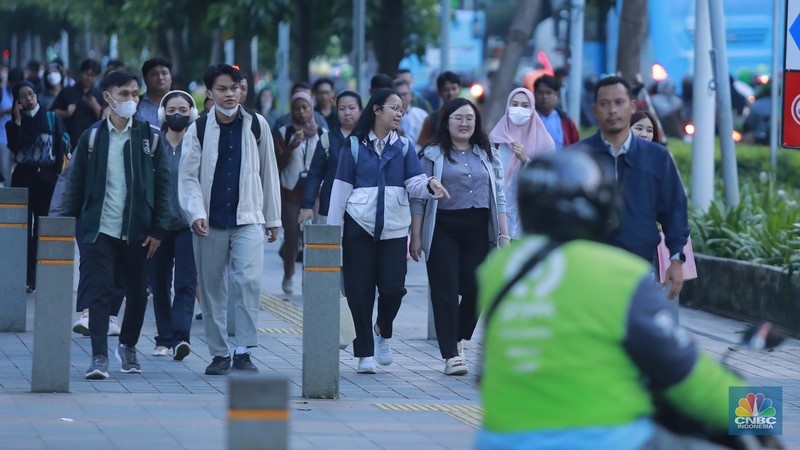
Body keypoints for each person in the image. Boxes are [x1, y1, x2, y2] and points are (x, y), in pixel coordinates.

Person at [476, 151, 742, 449]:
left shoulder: (500, 269)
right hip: (601, 439)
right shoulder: (619, 272)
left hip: (500, 440)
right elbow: (688, 374)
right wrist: (759, 416)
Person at [327, 89, 449, 374]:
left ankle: (383, 329)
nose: (398, 113)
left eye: (401, 110)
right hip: (359, 226)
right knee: (359, 292)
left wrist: (430, 183)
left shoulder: (404, 146)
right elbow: (340, 191)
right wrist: (333, 235)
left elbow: (415, 182)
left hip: (394, 229)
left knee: (394, 289)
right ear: (377, 110)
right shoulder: (354, 146)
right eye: (394, 108)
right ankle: (365, 353)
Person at [63, 70, 170, 380]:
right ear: (107, 98)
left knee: (138, 294)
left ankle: (128, 346)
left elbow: (164, 185)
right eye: (125, 94)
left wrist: (158, 229)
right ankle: (98, 357)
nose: (132, 100)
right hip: (100, 230)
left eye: (135, 94)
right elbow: (76, 184)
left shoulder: (150, 136)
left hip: (138, 232)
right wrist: (68, 225)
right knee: (100, 293)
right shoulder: (92, 137)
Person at [178, 63, 281, 375]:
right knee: (211, 289)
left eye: (234, 88)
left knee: (247, 281)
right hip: (209, 220)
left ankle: (243, 349)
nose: (229, 94)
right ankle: (219, 352)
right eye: (222, 89)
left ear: (242, 90)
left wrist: (273, 219)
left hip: (248, 216)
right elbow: (188, 178)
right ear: (209, 93)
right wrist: (195, 213)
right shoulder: (198, 128)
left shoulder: (256, 125)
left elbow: (269, 172)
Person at [410, 98, 508, 375]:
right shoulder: (431, 154)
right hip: (443, 227)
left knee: (479, 288)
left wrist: (504, 235)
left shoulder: (488, 153)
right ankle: (451, 355)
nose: (464, 123)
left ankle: (458, 336)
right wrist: (415, 236)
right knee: (445, 290)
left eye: (470, 118)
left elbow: (499, 196)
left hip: (479, 229)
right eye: (458, 118)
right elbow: (419, 198)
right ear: (447, 122)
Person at [572, 76, 689, 300]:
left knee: (636, 333)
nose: (612, 110)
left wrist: (676, 259)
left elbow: (674, 209)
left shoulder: (656, 156)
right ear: (595, 110)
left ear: (632, 106)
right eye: (605, 104)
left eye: (619, 102)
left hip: (639, 265)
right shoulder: (577, 156)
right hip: (589, 269)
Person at [630, 110, 697, 318]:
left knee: (660, 299)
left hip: (658, 242)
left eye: (649, 130)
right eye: (638, 128)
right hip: (628, 242)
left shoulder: (661, 160)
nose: (644, 134)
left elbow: (675, 204)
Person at [5, 80, 71, 293]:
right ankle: (27, 277)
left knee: (41, 229)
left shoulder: (51, 119)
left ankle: (41, 276)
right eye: (23, 95)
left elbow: (61, 147)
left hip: (46, 181)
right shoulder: (12, 124)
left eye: (31, 93)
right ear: (18, 101)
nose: (29, 98)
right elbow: (15, 147)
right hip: (23, 180)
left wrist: (57, 176)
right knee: (22, 231)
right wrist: (16, 121)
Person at [149, 90, 199, 360]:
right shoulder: (154, 144)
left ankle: (181, 337)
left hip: (189, 224)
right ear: (162, 113)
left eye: (183, 109)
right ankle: (163, 338)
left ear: (192, 113)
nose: (177, 114)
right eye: (171, 110)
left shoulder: (198, 143)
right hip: (158, 225)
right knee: (158, 283)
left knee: (185, 282)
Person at [488, 87, 555, 238]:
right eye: (515, 104)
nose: (519, 109)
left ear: (532, 109)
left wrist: (525, 160)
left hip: (528, 218)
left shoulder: (545, 142)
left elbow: (549, 179)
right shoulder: (495, 140)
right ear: (507, 106)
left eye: (525, 106)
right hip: (497, 216)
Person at [274, 92, 323, 294]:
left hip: (314, 195)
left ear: (312, 108)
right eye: (297, 108)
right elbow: (276, 163)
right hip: (290, 193)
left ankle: (308, 278)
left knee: (312, 238)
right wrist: (290, 148)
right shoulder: (284, 132)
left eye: (305, 107)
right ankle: (288, 273)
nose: (301, 112)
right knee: (292, 237)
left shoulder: (322, 133)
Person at [298, 90, 363, 226]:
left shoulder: (369, 139)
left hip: (363, 211)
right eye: (342, 109)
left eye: (352, 108)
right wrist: (307, 206)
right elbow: (315, 175)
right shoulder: (327, 139)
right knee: (330, 246)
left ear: (361, 111)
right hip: (330, 208)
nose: (347, 113)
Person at [52, 58, 103, 143]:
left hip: (92, 140)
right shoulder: (67, 92)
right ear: (81, 72)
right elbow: (53, 112)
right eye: (87, 74)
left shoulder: (99, 94)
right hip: (70, 140)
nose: (89, 78)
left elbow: (105, 119)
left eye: (93, 76)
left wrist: (95, 106)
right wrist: (66, 113)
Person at [533, 75, 580, 150]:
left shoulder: (566, 121)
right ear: (534, 94)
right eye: (541, 92)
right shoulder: (528, 120)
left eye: (548, 93)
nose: (544, 96)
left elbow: (577, 147)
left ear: (556, 94)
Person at [416, 71, 461, 146]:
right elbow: (421, 146)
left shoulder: (470, 114)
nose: (450, 93)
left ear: (460, 88)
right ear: (439, 92)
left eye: (454, 88)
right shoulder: (432, 119)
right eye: (446, 90)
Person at [135, 57, 173, 125]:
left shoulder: (182, 104)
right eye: (154, 74)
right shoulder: (136, 105)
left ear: (171, 78)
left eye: (164, 73)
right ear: (145, 79)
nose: (160, 78)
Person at [392, 78, 427, 145]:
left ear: (411, 95)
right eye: (398, 95)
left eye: (404, 94)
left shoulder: (422, 115)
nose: (401, 97)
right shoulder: (388, 116)